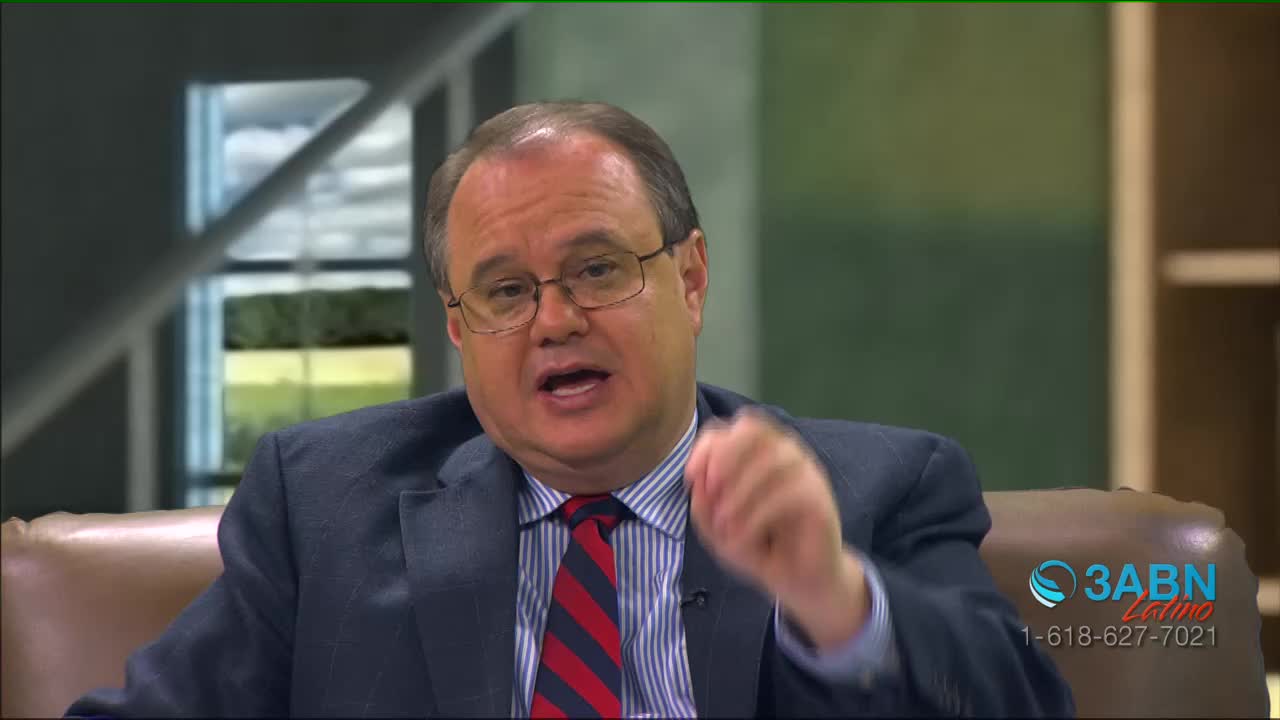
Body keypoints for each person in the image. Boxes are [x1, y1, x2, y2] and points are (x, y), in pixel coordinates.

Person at [69, 101, 1074, 718]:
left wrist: (833, 599)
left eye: (596, 268)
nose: (553, 320)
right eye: (504, 291)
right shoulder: (323, 502)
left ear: (690, 277)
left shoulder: (873, 489)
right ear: (457, 329)